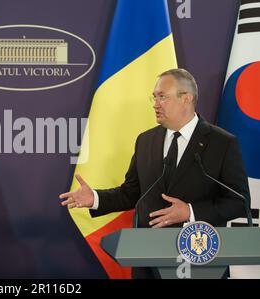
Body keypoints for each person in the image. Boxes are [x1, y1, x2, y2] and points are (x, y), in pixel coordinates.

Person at [59, 68, 249, 279]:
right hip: (148, 261)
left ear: (186, 99)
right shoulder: (146, 141)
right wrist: (94, 198)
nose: (155, 104)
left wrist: (190, 212)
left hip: (199, 259)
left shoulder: (222, 143)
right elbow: (131, 193)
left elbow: (239, 201)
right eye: (155, 97)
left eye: (162, 97)